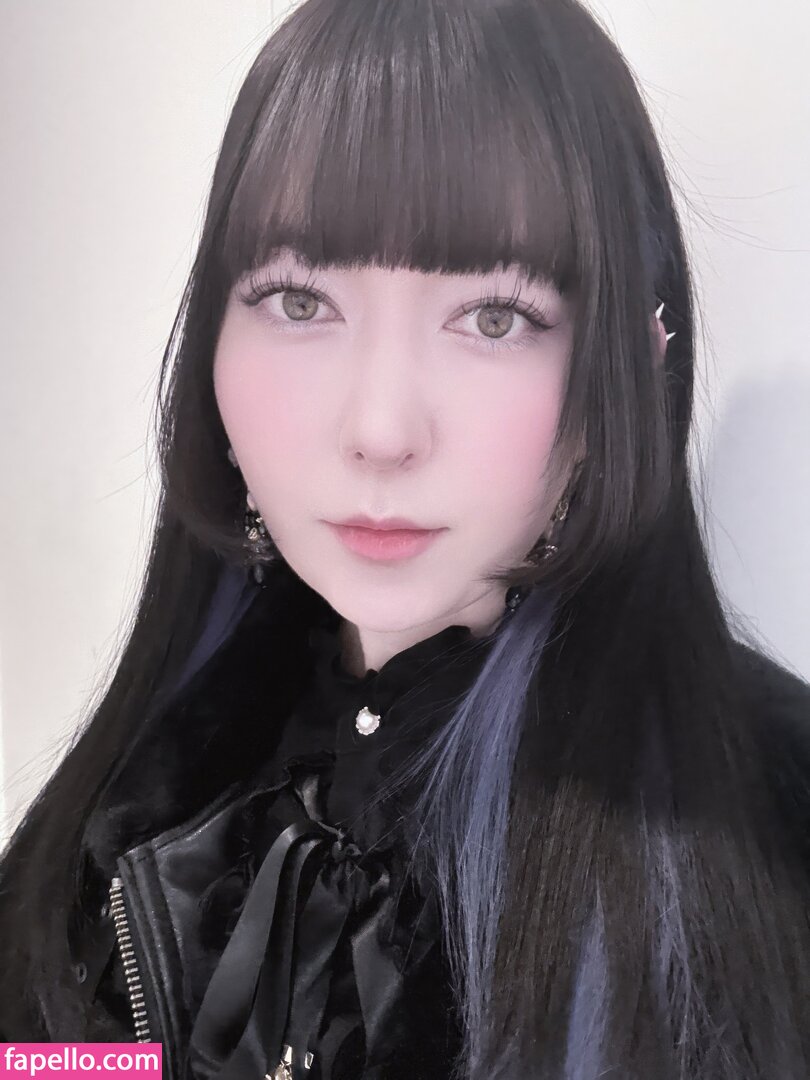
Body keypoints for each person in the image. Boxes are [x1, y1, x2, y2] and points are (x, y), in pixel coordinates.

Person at [1, 0, 809, 1077]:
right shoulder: (119, 816)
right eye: (299, 301)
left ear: (635, 359)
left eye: (494, 318)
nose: (381, 431)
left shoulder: (774, 827)